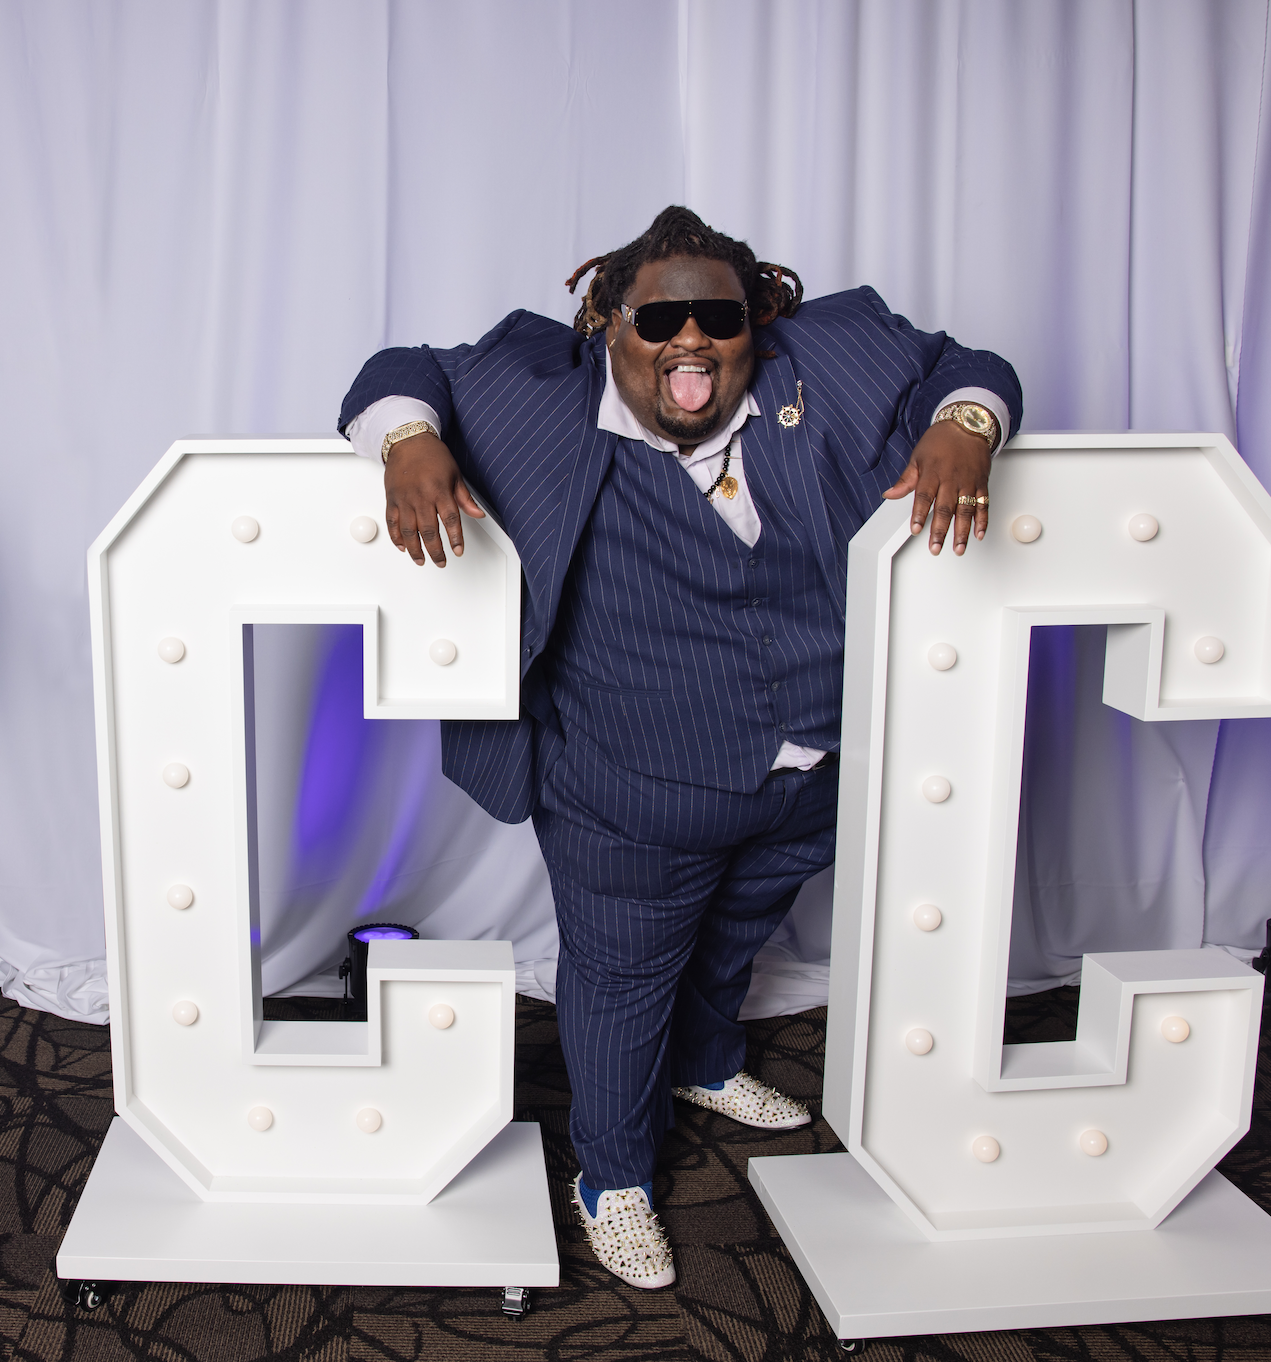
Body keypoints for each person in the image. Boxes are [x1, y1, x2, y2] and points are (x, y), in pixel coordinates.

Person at [336, 206, 1020, 1289]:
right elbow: (396, 370)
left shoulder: (828, 365)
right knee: (619, 985)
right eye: (660, 319)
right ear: (609, 320)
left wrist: (967, 425)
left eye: (718, 317)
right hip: (625, 786)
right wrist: (410, 440)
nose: (689, 342)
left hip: (813, 772)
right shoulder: (537, 388)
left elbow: (967, 366)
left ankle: (705, 1065)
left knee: (735, 937)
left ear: (760, 322)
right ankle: (610, 1179)